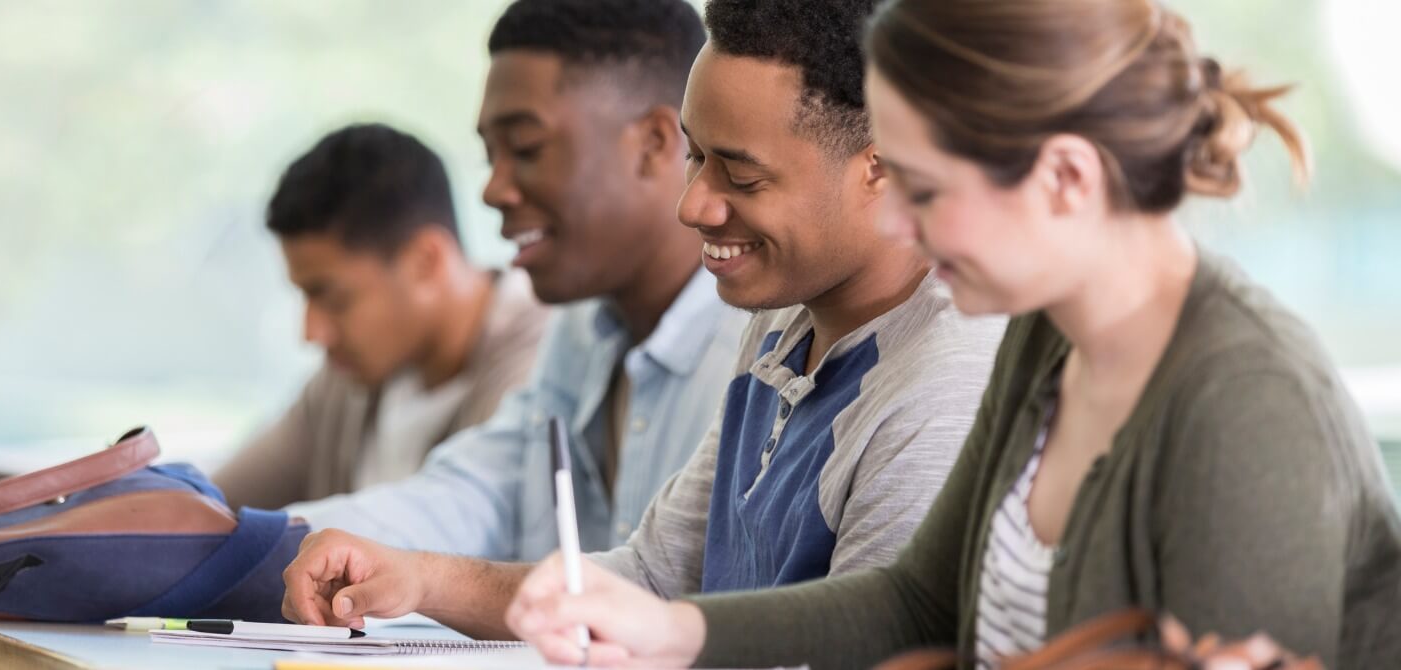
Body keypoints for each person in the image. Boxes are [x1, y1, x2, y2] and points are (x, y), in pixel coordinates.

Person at [502, 0, 1401, 668]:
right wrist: (670, 629)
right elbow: (919, 601)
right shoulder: (1047, 338)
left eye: (926, 193)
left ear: (1064, 178)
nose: (904, 233)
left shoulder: (1244, 403)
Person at [280, 0, 1003, 640]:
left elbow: (878, 644)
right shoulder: (785, 326)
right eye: (695, 157)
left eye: (740, 176)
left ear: (880, 166)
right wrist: (421, 580)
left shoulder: (943, 381)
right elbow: (652, 578)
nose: (693, 205)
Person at [279, 0, 749, 563]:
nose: (493, 190)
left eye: (526, 149)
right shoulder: (584, 328)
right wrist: (243, 537)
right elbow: (480, 493)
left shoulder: (762, 348)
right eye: (489, 156)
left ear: (652, 142)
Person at [213, 123, 547, 509]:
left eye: (334, 298)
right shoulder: (347, 381)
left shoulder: (541, 368)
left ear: (426, 261)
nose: (311, 333)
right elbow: (213, 503)